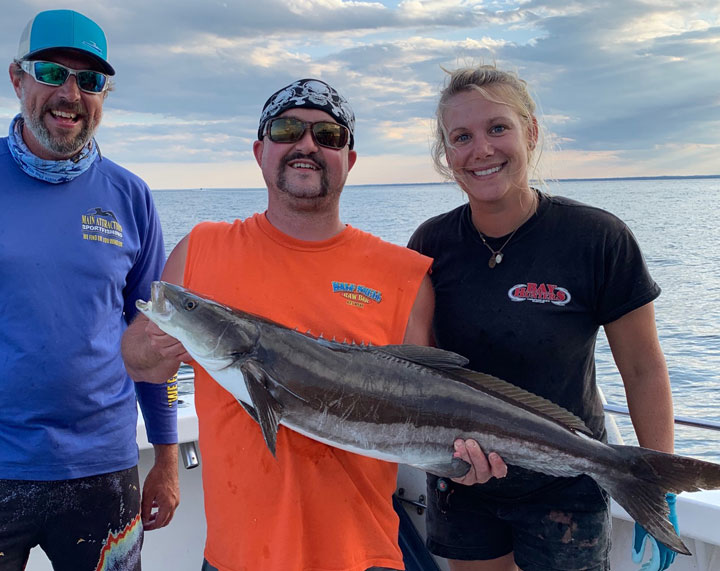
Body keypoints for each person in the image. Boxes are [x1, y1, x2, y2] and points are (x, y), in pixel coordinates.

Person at [121, 78, 507, 571]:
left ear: (349, 159)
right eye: (287, 130)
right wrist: (154, 347)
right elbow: (142, 364)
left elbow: (431, 405)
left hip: (362, 556)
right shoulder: (200, 249)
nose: (306, 145)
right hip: (236, 558)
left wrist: (462, 463)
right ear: (260, 151)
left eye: (328, 135)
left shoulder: (404, 276)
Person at [0, 10, 179, 570]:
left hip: (103, 472)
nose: (70, 94)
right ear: (17, 78)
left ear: (104, 94)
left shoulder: (131, 196)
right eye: (52, 73)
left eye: (89, 80)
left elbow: (157, 339)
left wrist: (166, 457)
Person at [407, 64, 677, 571]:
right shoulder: (429, 243)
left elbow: (643, 368)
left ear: (530, 133)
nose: (481, 149)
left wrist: (656, 484)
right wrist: (443, 455)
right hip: (464, 477)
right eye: (461, 137)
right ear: (446, 153)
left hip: (568, 480)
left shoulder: (598, 238)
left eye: (497, 128)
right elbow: (420, 373)